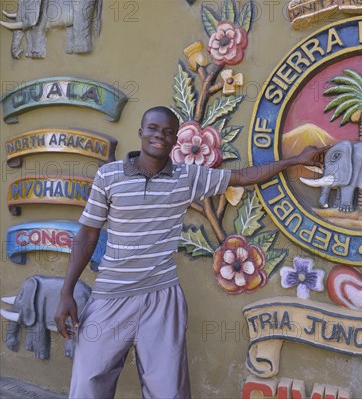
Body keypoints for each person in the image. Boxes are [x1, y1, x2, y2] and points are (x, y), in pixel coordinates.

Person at [54, 106, 326, 398]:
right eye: (154, 129)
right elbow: (88, 233)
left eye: (168, 132)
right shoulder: (109, 177)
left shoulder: (187, 177)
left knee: (168, 389)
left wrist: (295, 160)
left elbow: (244, 176)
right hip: (110, 296)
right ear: (141, 132)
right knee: (88, 382)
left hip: (162, 297)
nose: (160, 136)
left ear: (174, 141)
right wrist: (66, 292)